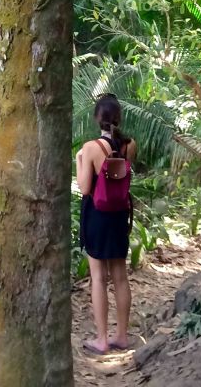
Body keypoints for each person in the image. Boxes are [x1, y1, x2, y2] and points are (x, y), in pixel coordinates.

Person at [76, 93, 136, 355]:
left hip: (97, 215)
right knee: (120, 276)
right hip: (119, 214)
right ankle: (121, 335)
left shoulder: (91, 148)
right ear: (118, 118)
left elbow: (84, 187)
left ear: (96, 118)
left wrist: (79, 159)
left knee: (98, 277)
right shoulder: (129, 145)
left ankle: (102, 339)